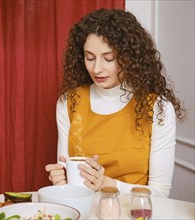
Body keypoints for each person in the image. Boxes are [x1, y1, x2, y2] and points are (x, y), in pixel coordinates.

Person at [45, 8, 185, 198]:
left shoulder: (158, 108)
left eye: (108, 58)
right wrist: (62, 182)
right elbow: (71, 182)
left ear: (129, 58)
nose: (96, 69)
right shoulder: (69, 102)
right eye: (90, 57)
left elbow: (160, 194)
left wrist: (106, 184)